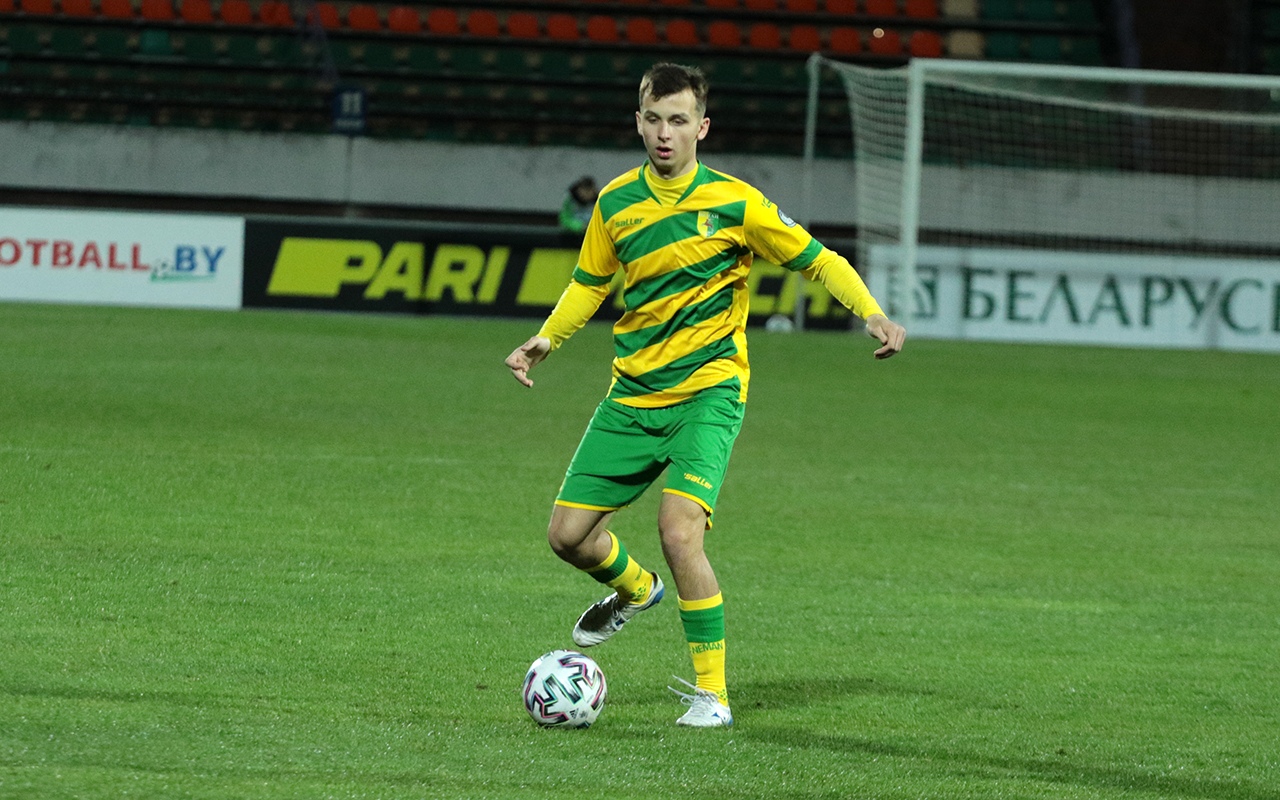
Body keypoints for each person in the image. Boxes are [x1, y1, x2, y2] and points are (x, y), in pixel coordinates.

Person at [505, 63, 905, 728]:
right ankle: (637, 590)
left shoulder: (735, 203)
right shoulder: (615, 203)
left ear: (702, 127)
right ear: (638, 123)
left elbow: (818, 259)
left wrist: (871, 312)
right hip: (634, 394)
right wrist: (548, 338)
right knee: (568, 537)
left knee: (678, 531)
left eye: (679, 120)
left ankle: (712, 696)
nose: (665, 133)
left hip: (709, 392)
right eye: (654, 120)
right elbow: (590, 283)